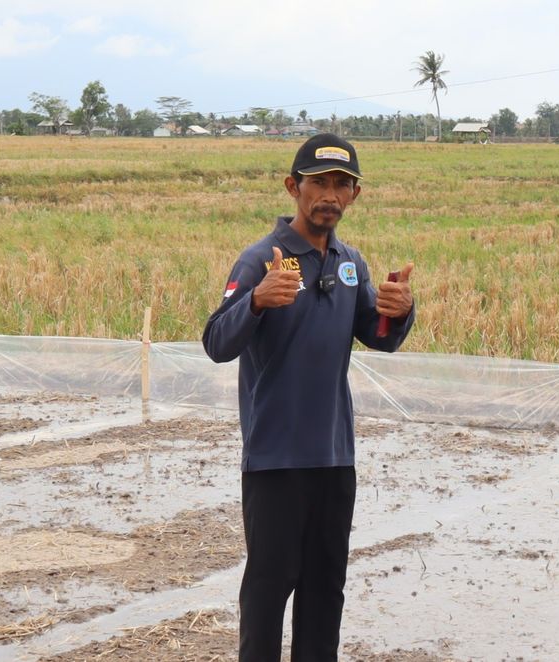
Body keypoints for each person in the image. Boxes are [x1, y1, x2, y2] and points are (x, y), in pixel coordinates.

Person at [202, 133, 415, 661]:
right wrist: (255, 301)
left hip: (334, 457)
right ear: (293, 187)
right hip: (276, 458)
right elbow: (215, 342)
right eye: (319, 182)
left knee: (325, 591)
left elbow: (379, 335)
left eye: (342, 184)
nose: (330, 194)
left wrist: (400, 308)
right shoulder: (262, 260)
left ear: (355, 196)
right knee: (268, 592)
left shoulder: (350, 263)